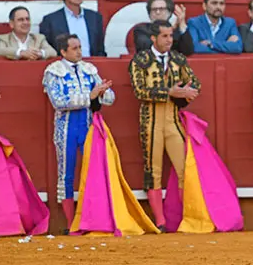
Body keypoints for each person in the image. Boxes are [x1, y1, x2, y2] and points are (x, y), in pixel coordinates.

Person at [128, 19, 202, 231]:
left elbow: (195, 83)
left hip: (172, 119)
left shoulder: (178, 59)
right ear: (153, 38)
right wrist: (170, 92)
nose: (170, 40)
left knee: (184, 168)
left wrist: (187, 93)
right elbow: (139, 91)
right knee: (153, 171)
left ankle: (185, 218)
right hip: (150, 121)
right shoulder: (140, 60)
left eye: (171, 35)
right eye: (165, 36)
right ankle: (160, 222)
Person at [41, 32, 115, 230]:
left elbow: (110, 98)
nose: (79, 52)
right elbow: (58, 102)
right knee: (66, 175)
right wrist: (90, 96)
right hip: (66, 130)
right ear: (63, 51)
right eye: (74, 48)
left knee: (93, 172)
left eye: (80, 47)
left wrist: (102, 92)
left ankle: (93, 219)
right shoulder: (53, 71)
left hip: (88, 127)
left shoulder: (89, 69)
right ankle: (71, 223)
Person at [40, 0, 107, 57]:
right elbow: (49, 50)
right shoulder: (51, 20)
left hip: (92, 63)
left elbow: (100, 49)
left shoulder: (95, 17)